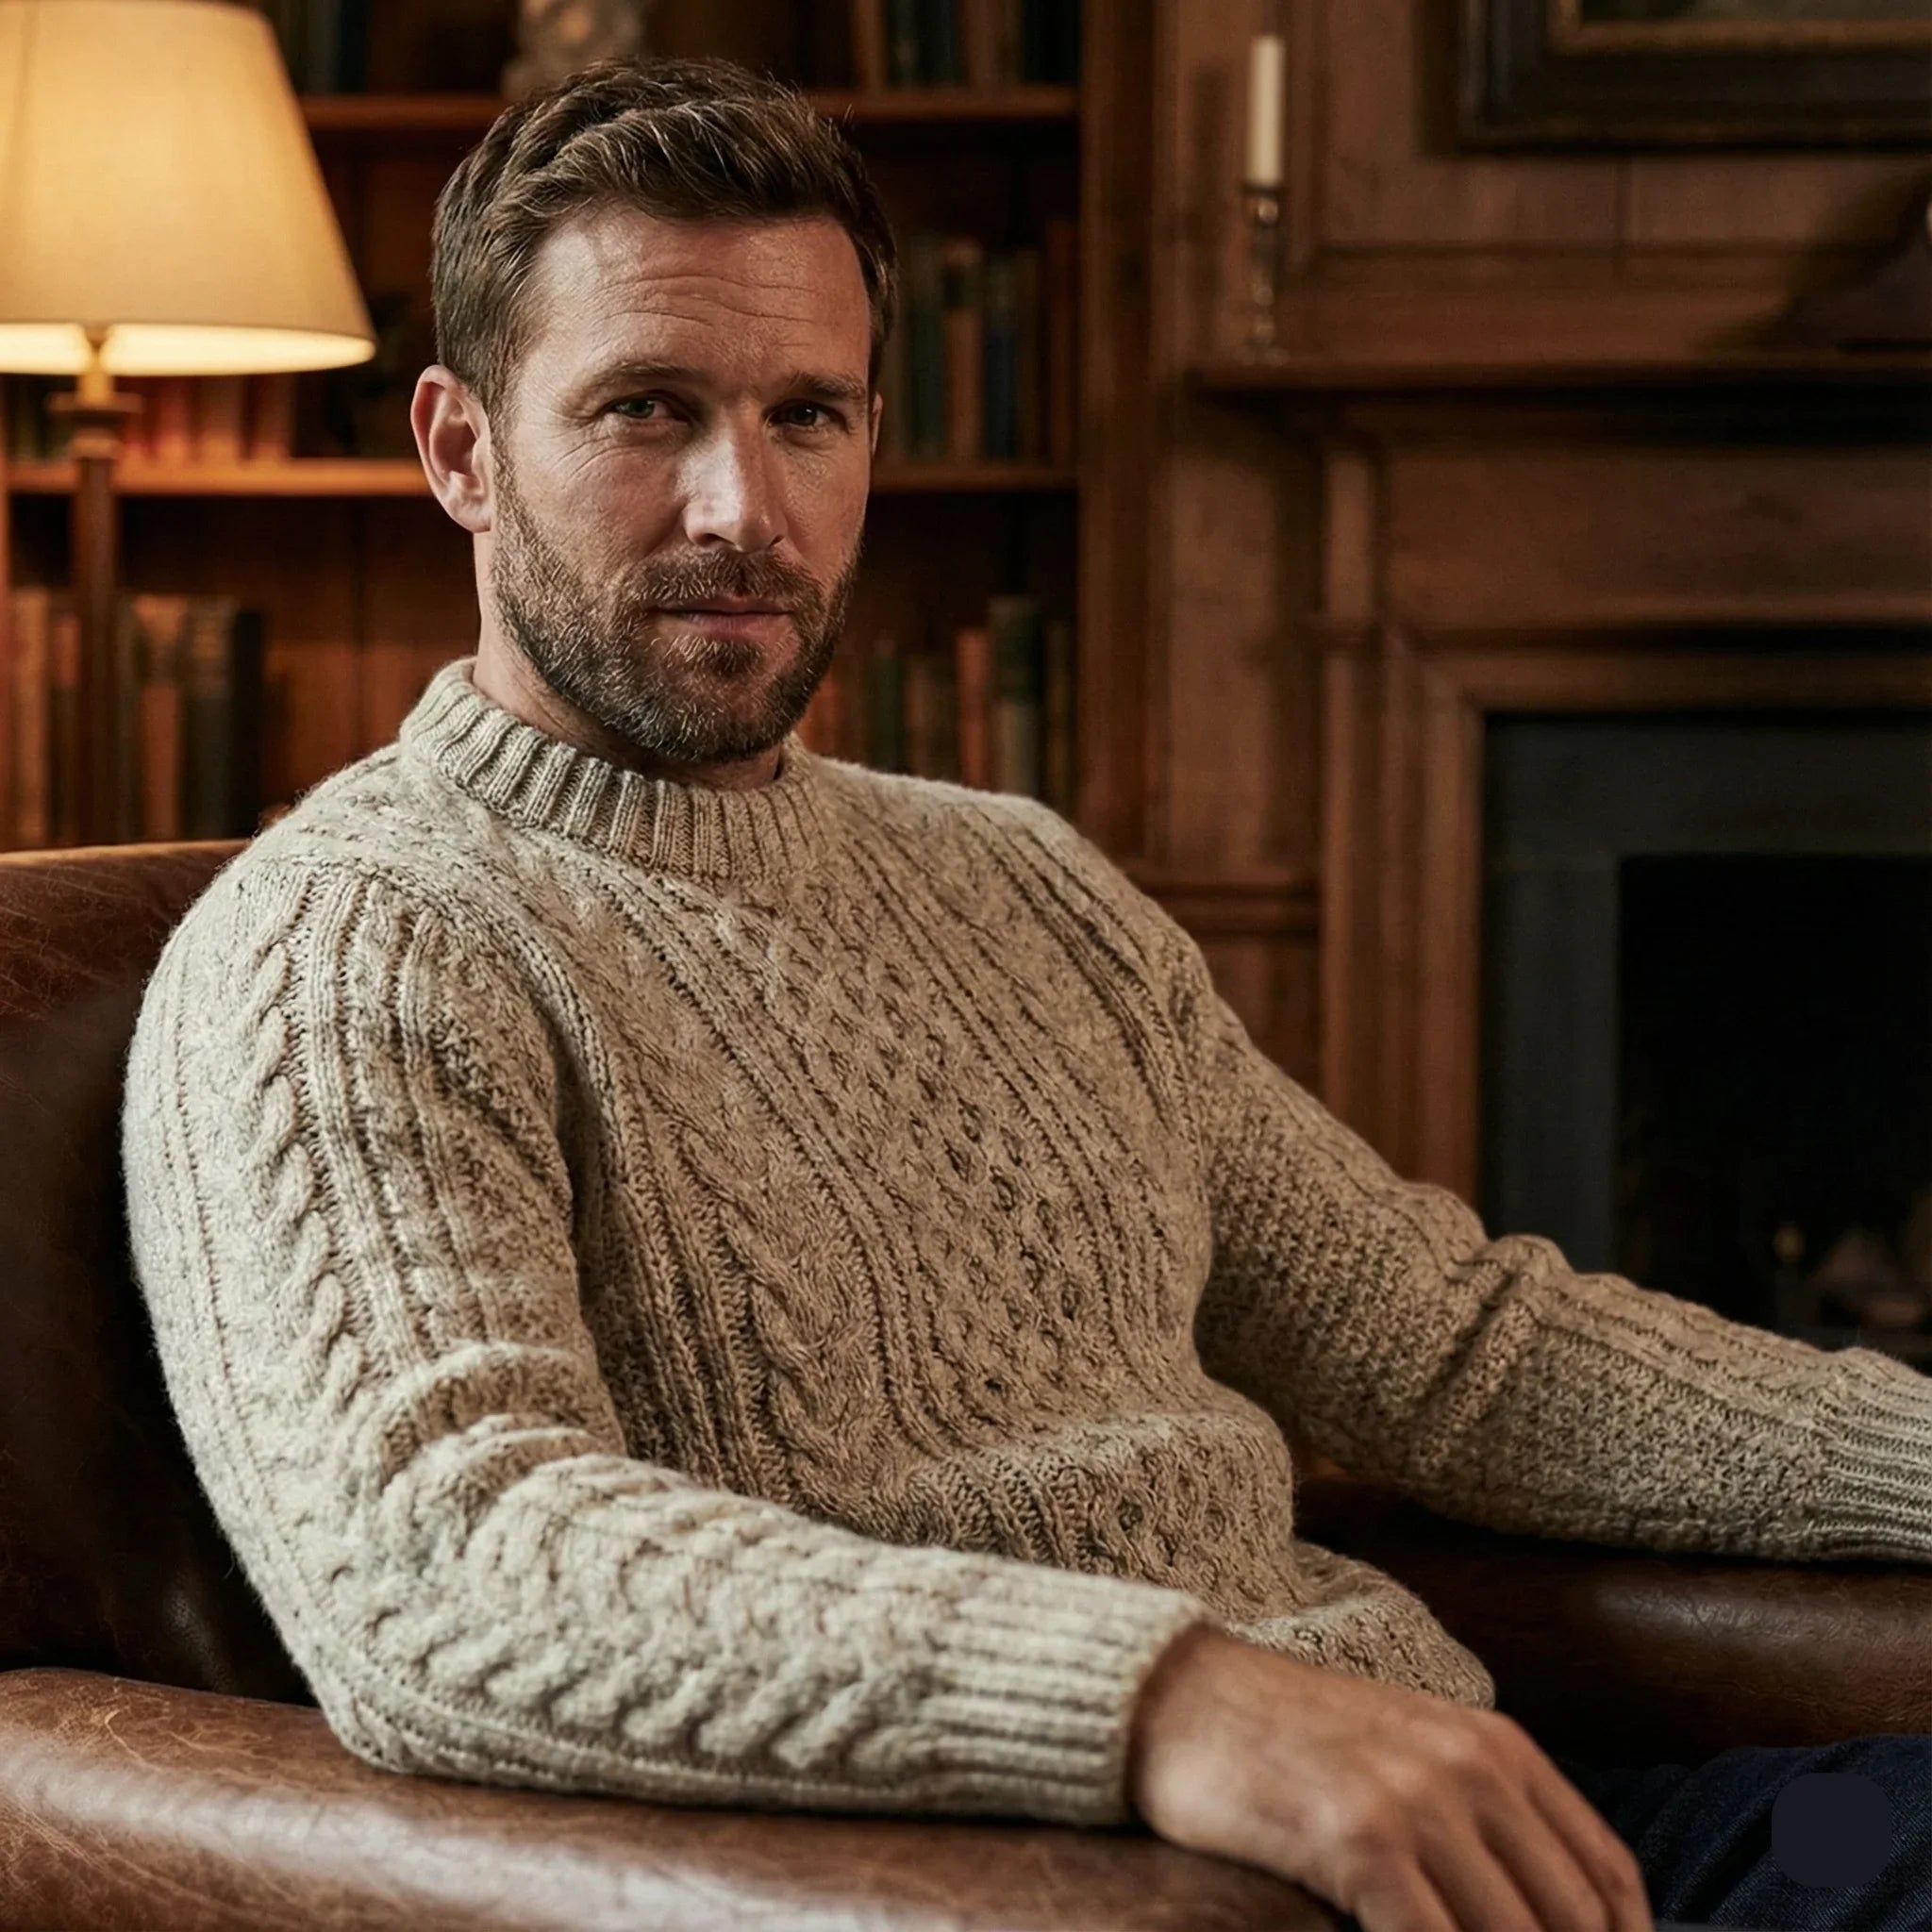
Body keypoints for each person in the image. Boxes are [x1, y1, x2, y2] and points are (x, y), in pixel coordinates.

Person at [120, 55, 1932, 1932]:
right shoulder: (350, 939)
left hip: (1521, 1854)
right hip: (1064, 1885)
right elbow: (446, 1556)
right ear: (459, 448)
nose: (745, 504)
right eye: (647, 409)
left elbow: (1447, 1347)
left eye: (807, 415)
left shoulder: (1017, 879)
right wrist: (1171, 1700)